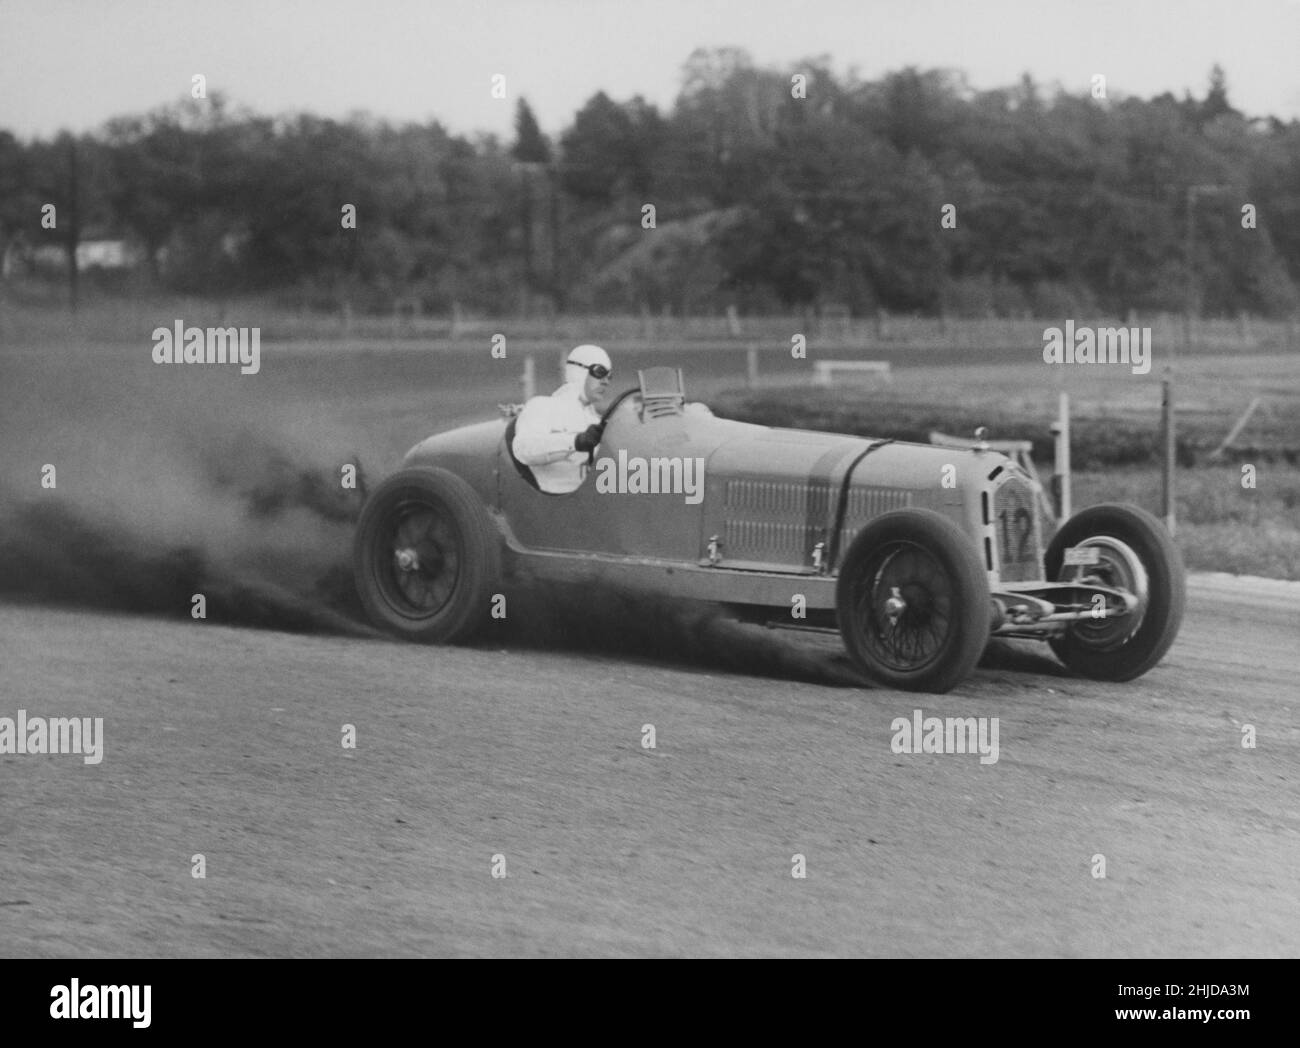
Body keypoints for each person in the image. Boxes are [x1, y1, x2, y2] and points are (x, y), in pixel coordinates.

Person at [511, 344, 613, 494]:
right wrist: (576, 441)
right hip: (554, 505)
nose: (606, 381)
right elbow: (523, 448)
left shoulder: (597, 422)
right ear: (579, 371)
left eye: (609, 376)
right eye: (599, 372)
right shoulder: (543, 405)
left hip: (596, 503)